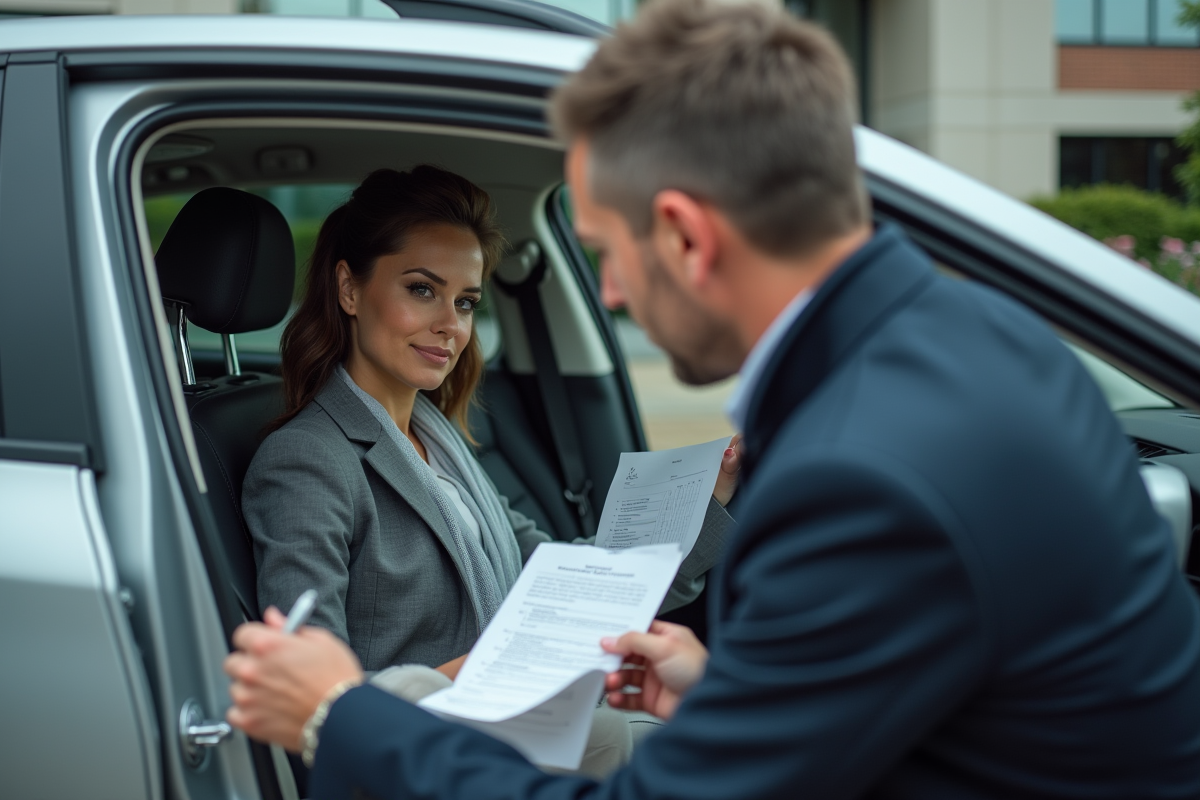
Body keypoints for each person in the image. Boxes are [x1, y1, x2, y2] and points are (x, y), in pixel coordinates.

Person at [224, 0, 1200, 797]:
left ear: (687, 237)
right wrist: (734, 689)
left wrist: (340, 713)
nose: (609, 292)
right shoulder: (986, 337)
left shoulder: (857, 473)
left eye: (606, 252)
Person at [240, 165, 737, 774]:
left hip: (512, 728)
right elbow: (306, 688)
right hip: (415, 758)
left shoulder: (438, 438)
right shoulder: (305, 459)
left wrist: (701, 499)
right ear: (349, 289)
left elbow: (553, 574)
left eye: (466, 302)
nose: (451, 325)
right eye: (422, 290)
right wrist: (484, 669)